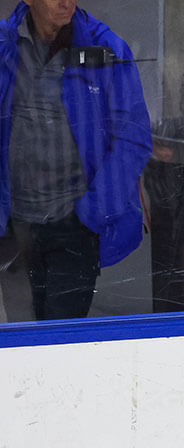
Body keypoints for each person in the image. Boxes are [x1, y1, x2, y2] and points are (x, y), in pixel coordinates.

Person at [0, 0, 151, 321]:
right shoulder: (4, 46)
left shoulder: (105, 47)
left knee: (63, 344)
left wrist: (92, 214)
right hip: (14, 227)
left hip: (74, 224)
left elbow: (132, 138)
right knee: (20, 341)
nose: (67, 2)